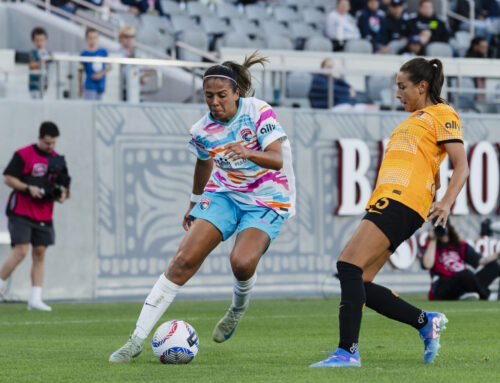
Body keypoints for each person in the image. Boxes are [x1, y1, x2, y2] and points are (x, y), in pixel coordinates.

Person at [109, 52, 296, 363]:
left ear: (237, 93)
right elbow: (203, 161)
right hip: (224, 194)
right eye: (209, 96)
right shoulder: (201, 130)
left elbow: (276, 159)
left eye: (222, 95)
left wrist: (247, 152)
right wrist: (195, 202)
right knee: (183, 260)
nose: (215, 102)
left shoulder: (258, 111)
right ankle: (135, 340)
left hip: (267, 197)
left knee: (242, 262)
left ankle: (237, 307)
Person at [310, 57, 469, 368]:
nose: (397, 93)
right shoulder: (415, 119)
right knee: (362, 281)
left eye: (402, 87)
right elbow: (427, 166)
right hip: (390, 201)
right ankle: (425, 321)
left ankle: (347, 352)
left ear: (422, 87)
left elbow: (461, 165)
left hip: (402, 202)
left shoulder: (443, 114)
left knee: (347, 265)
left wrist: (447, 201)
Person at [0, 122, 71, 311]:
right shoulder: (24, 154)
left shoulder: (58, 160)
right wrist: (28, 188)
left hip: (44, 213)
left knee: (40, 254)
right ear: (40, 138)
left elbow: (64, 188)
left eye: (53, 143)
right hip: (21, 211)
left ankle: (35, 298)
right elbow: (8, 177)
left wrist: (62, 195)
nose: (50, 147)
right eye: (47, 142)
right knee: (21, 251)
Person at [422, 220, 500, 300]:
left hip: (464, 281)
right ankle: (486, 296)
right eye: (438, 228)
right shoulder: (430, 246)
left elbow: (481, 261)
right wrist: (433, 239)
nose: (441, 230)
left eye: (443, 227)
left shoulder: (460, 245)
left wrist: (498, 254)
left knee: (494, 267)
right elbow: (427, 265)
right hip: (442, 286)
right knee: (465, 274)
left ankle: (465, 294)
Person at [78, 28, 112, 101]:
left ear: (98, 39)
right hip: (89, 86)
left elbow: (110, 66)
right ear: (86, 39)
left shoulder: (103, 52)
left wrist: (100, 74)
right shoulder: (84, 54)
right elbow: (80, 71)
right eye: (90, 38)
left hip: (100, 85)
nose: (93, 40)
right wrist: (80, 87)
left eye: (95, 37)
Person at [28, 27, 52, 99]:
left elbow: (48, 68)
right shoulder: (33, 52)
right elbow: (32, 64)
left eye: (41, 40)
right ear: (33, 41)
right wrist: (42, 64)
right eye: (37, 40)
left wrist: (48, 81)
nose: (39, 43)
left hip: (44, 84)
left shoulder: (47, 53)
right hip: (34, 85)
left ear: (46, 40)